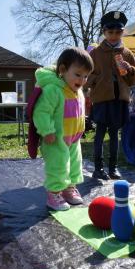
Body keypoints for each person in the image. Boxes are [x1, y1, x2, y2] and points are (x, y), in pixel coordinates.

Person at [33, 47, 93, 211]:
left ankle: (69, 189)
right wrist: (47, 131)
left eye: (86, 76)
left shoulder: (78, 91)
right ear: (62, 70)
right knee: (58, 166)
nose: (82, 80)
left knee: (74, 164)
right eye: (78, 74)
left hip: (73, 138)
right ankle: (54, 194)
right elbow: (42, 111)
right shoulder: (54, 90)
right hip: (56, 138)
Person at [87, 11, 135, 180]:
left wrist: (129, 69)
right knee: (100, 133)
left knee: (114, 134)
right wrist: (98, 78)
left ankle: (113, 168)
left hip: (120, 100)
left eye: (118, 32)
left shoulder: (127, 53)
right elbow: (87, 74)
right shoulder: (95, 53)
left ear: (122, 32)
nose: (114, 36)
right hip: (102, 100)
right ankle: (98, 168)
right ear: (104, 32)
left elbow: (134, 80)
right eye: (110, 32)